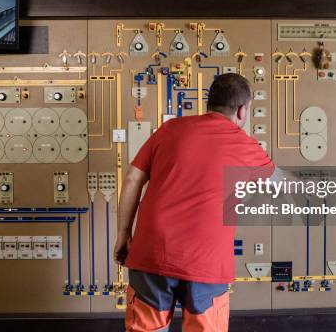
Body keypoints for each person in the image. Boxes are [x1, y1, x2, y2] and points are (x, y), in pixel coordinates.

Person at [114, 73, 273, 331]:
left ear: (210, 103)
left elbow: (133, 178)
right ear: (243, 110)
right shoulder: (246, 145)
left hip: (152, 253)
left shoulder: (171, 129)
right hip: (206, 262)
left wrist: (123, 234)